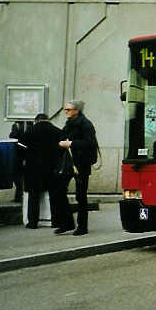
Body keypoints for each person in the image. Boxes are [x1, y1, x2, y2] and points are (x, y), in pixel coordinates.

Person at [57, 100, 98, 236]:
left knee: (81, 195)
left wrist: (71, 143)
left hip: (81, 163)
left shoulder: (86, 124)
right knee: (59, 190)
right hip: (68, 162)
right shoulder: (69, 124)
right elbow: (62, 137)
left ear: (76, 110)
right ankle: (66, 223)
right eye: (65, 109)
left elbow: (90, 143)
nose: (66, 111)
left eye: (68, 109)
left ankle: (82, 226)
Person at [21, 114, 64, 228]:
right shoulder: (57, 131)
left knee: (34, 196)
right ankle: (55, 221)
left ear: (37, 121)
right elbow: (62, 150)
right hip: (52, 167)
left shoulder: (30, 131)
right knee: (53, 195)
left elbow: (21, 149)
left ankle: (33, 222)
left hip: (33, 168)